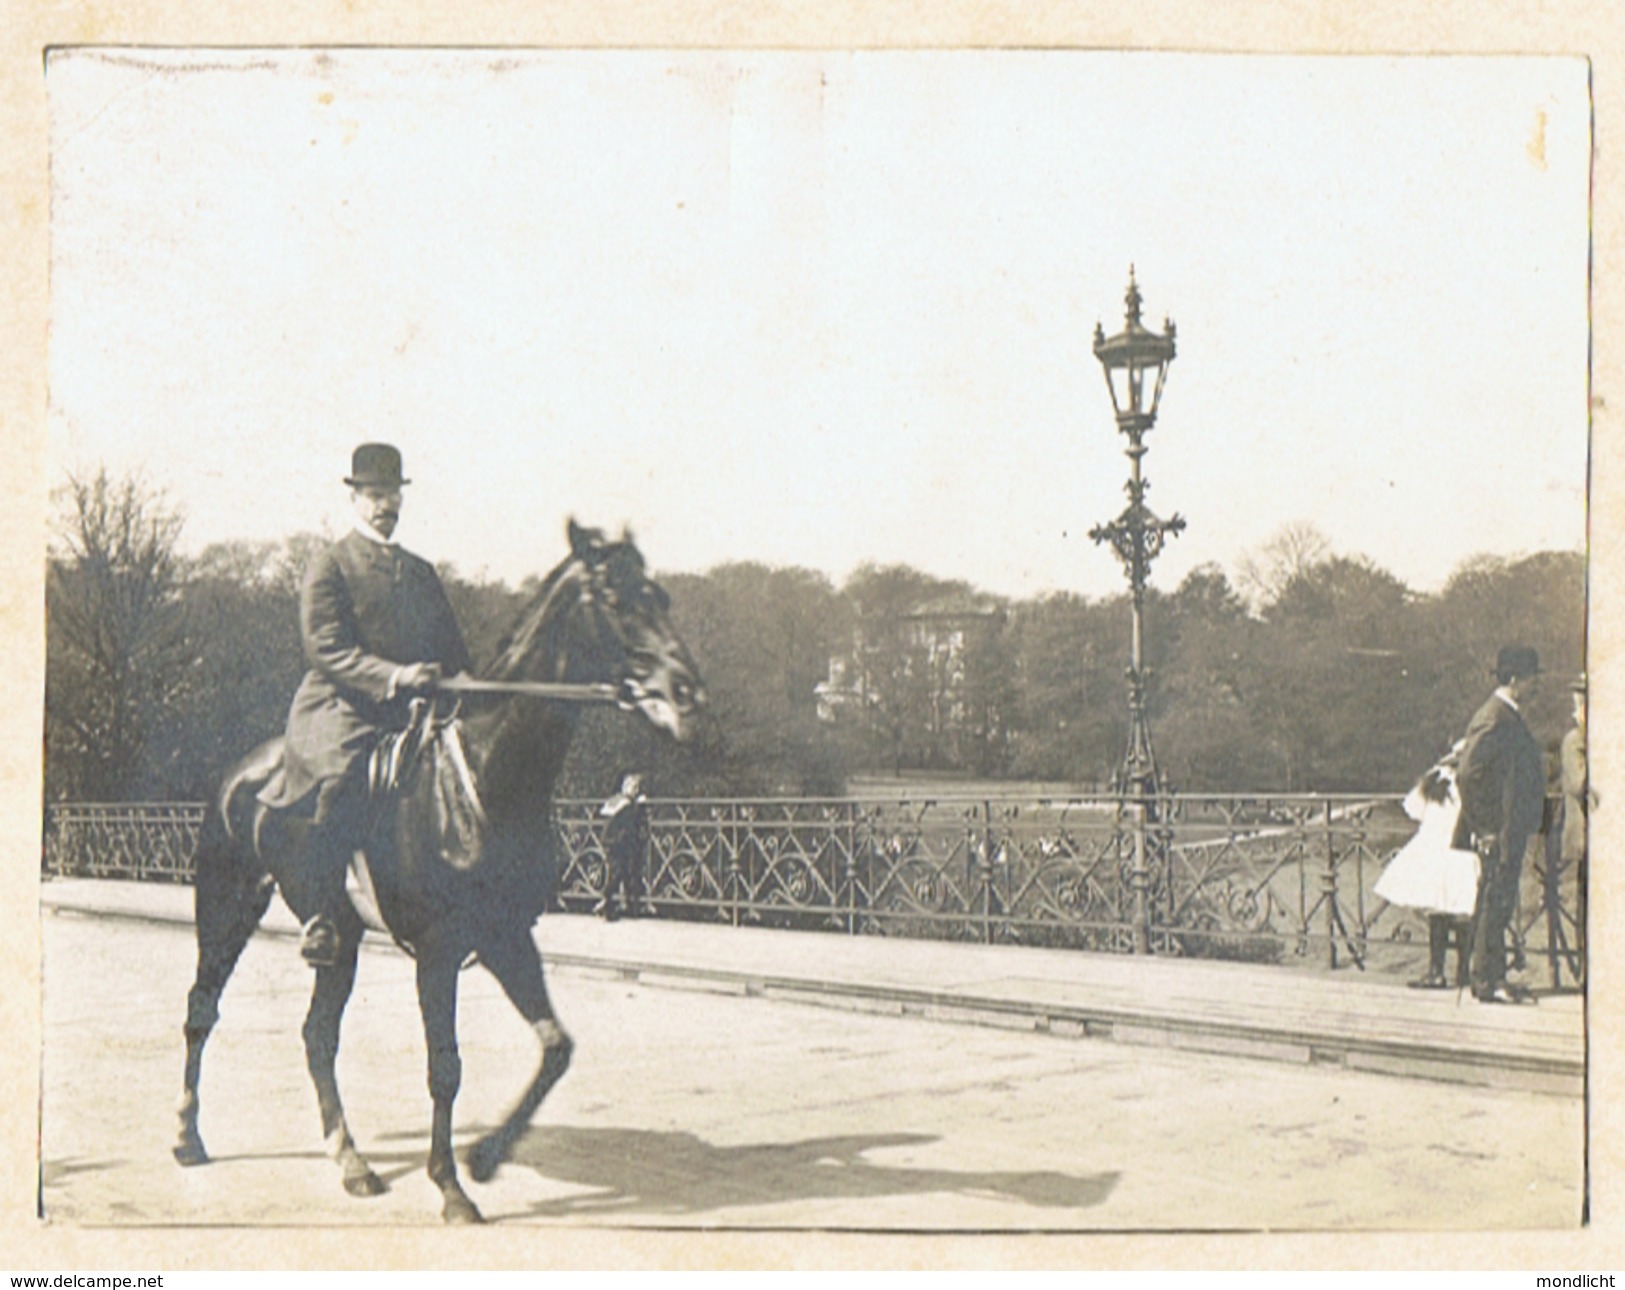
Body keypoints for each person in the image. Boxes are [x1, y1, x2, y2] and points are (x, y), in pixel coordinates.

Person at [260, 443, 472, 966]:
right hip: (342, 707)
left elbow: (454, 654)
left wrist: (468, 686)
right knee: (342, 778)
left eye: (393, 495)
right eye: (375, 495)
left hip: (412, 714)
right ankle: (322, 913)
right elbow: (326, 649)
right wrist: (396, 675)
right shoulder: (330, 564)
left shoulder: (421, 573)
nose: (386, 506)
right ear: (355, 499)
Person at [1454, 645, 1547, 1005]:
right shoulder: (1494, 716)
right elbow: (1468, 774)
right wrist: (1486, 828)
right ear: (1514, 680)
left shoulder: (1507, 715)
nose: (1536, 685)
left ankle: (1492, 977)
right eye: (1531, 678)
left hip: (1509, 828)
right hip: (1499, 831)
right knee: (1494, 900)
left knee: (1500, 901)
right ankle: (1486, 981)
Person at [1374, 742, 1479, 989]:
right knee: (1460, 910)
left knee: (1440, 910)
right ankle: (1461, 972)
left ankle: (1437, 971)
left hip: (1437, 849)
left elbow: (1413, 808)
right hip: (1460, 849)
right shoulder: (1473, 782)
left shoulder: (1436, 781)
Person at [597, 772, 650, 921]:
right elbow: (630, 823)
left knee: (622, 872)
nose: (636, 790)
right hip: (618, 843)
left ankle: (623, 905)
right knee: (619, 872)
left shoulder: (615, 801)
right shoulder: (627, 804)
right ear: (626, 788)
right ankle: (607, 902)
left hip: (611, 842)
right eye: (634, 787)